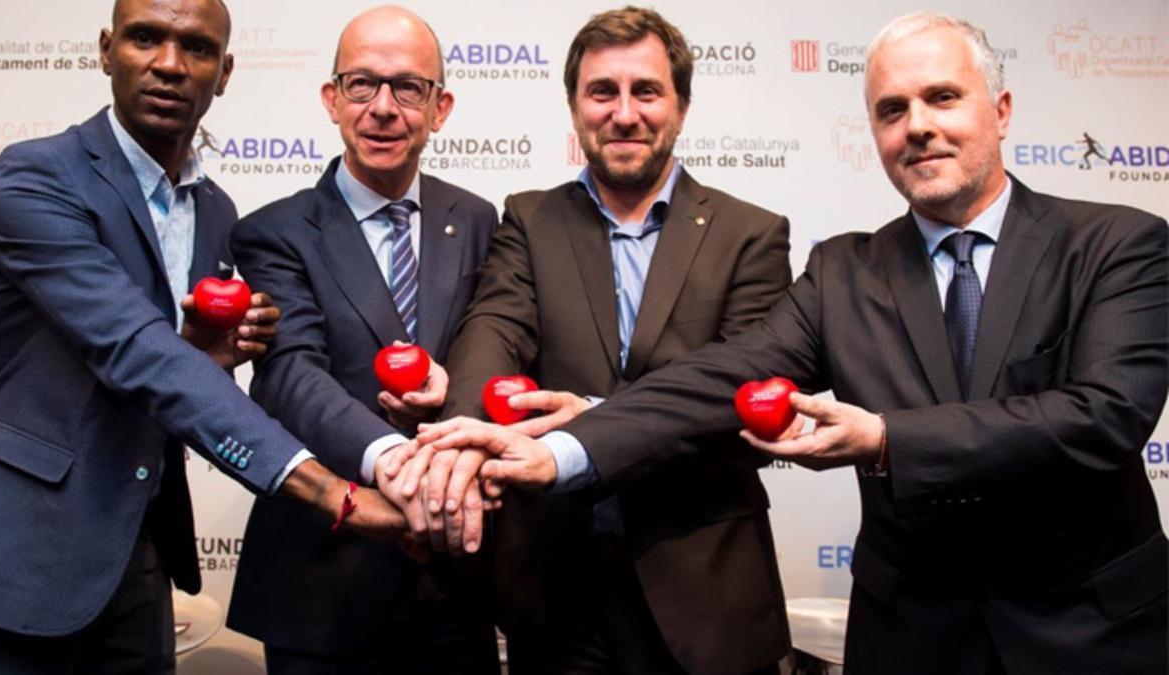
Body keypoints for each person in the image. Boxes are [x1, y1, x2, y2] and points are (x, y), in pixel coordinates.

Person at [419, 11, 1169, 675]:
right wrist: (565, 448)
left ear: (1000, 109)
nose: (917, 125)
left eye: (943, 97)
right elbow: (724, 375)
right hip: (912, 636)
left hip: (1088, 631)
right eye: (891, 109)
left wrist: (884, 438)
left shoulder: (1115, 243)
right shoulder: (846, 268)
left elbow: (1104, 415)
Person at [0, 0, 406, 672]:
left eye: (196, 48)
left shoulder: (214, 209)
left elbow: (164, 375)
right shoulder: (35, 178)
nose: (170, 65)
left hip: (139, 550)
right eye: (147, 39)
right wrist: (330, 491)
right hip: (19, 551)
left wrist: (205, 352)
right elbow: (135, 349)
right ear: (107, 49)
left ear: (224, 72)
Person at [396, 6, 794, 674]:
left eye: (646, 91)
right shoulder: (529, 217)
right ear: (576, 106)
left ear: (682, 105)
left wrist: (597, 420)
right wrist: (456, 444)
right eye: (602, 92)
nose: (624, 112)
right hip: (556, 588)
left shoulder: (750, 234)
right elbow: (493, 329)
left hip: (706, 593)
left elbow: (739, 394)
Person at [225, 6, 500, 674]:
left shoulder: (478, 217)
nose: (383, 107)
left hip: (455, 582)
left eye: (408, 87)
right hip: (321, 581)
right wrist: (393, 463)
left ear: (440, 108)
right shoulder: (274, 231)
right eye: (361, 84)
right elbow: (291, 375)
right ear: (331, 99)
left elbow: (493, 350)